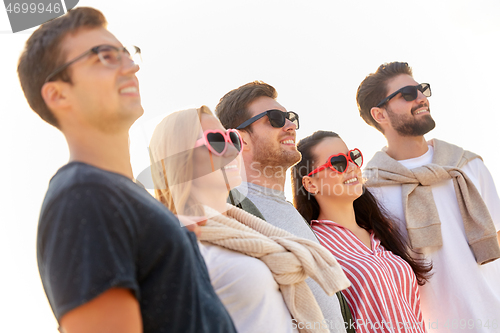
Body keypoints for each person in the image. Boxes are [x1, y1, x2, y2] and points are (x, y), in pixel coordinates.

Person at [17, 7, 236, 333]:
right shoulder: (83, 197)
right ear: (59, 94)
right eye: (104, 56)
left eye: (126, 53)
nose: (132, 66)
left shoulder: (125, 198)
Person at [148, 106, 350, 333]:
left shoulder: (249, 228)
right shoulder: (178, 242)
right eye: (215, 140)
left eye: (232, 139)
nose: (232, 150)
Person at [356, 61, 500, 332]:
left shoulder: (468, 166)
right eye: (408, 94)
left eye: (421, 90)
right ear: (380, 114)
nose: (421, 98)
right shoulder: (370, 192)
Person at [215, 81, 354, 333]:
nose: (290, 125)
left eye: (290, 117)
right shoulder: (230, 212)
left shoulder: (291, 213)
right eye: (275, 118)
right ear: (240, 139)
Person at [291, 130, 432, 333]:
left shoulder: (382, 233)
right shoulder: (313, 246)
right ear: (311, 183)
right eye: (338, 162)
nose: (352, 167)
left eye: (353, 157)